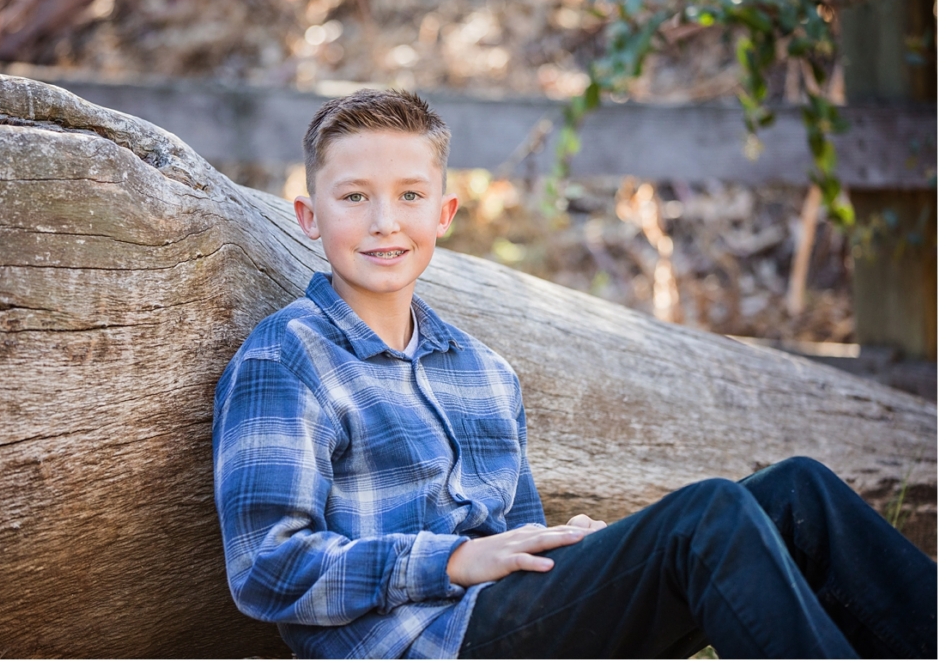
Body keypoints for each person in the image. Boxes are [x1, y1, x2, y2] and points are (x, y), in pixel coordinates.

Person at [211, 89, 936, 659]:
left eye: (408, 195)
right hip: (425, 647)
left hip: (507, 623)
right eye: (354, 196)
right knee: (706, 515)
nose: (384, 222)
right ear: (308, 215)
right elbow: (268, 568)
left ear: (445, 212)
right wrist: (454, 558)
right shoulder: (287, 359)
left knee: (797, 489)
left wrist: (572, 546)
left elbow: (518, 537)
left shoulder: (483, 370)